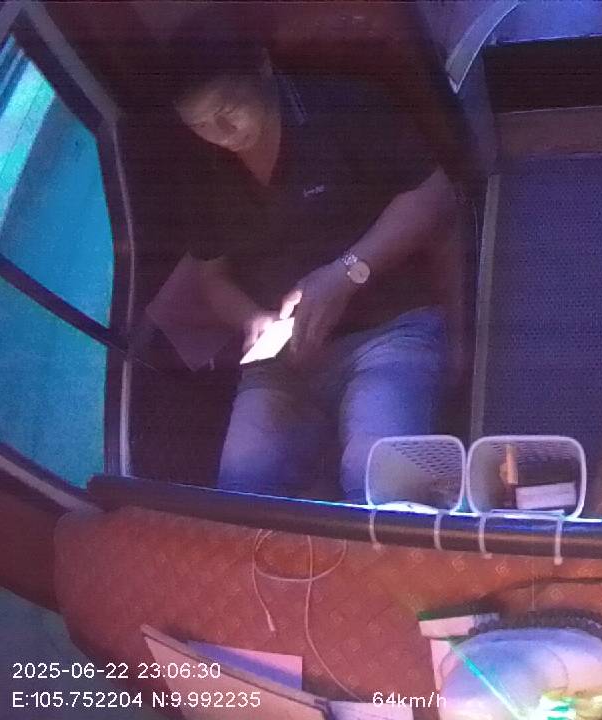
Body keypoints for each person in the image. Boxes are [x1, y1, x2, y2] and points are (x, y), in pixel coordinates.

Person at [161, 9, 460, 504]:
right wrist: (253, 320)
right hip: (284, 362)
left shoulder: (343, 106)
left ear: (261, 67)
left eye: (228, 108)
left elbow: (434, 197)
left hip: (387, 331)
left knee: (379, 483)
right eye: (201, 125)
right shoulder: (201, 170)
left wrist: (346, 274)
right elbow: (212, 277)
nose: (222, 132)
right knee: (242, 485)